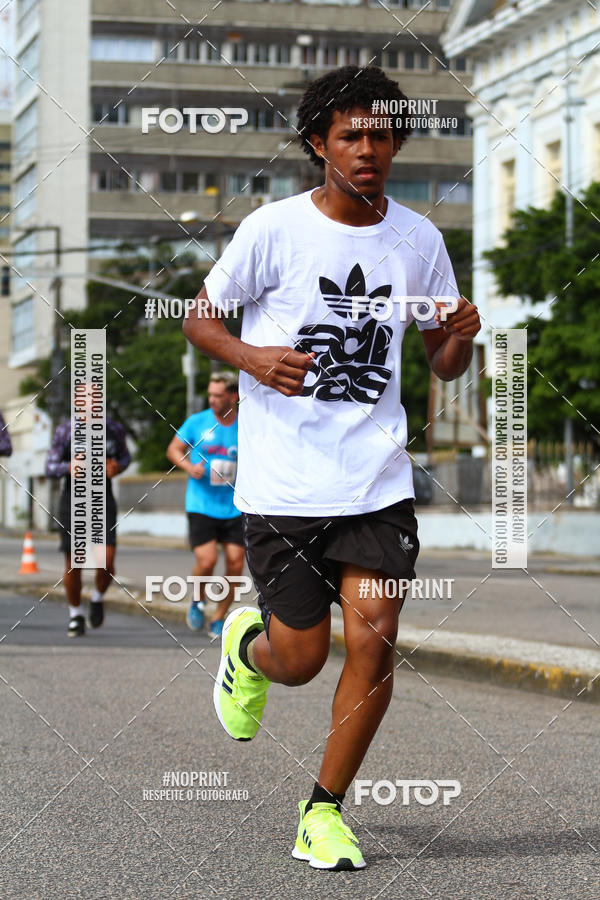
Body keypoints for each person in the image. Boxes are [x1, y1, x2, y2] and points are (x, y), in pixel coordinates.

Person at [183, 65, 481, 871]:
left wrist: (461, 332)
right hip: (285, 484)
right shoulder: (273, 230)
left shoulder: (419, 240)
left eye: (381, 134)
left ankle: (323, 811)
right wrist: (252, 356)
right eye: (351, 134)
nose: (368, 148)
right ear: (319, 143)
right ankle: (248, 646)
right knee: (302, 660)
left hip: (377, 482)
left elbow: (442, 365)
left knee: (376, 644)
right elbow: (201, 320)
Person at [166, 372, 244, 637]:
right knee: (208, 559)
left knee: (235, 564)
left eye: (218, 395)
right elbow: (173, 450)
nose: (211, 399)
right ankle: (198, 600)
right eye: (210, 394)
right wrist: (189, 466)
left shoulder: (246, 426)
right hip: (201, 503)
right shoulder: (197, 422)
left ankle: (219, 618)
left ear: (233, 397)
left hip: (234, 506)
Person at [46, 413, 131, 637]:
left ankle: (97, 598)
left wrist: (117, 467)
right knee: (75, 562)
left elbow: (125, 457)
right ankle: (75, 615)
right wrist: (68, 467)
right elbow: (49, 466)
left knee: (107, 562)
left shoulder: (113, 428)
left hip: (103, 500)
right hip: (73, 500)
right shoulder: (66, 430)